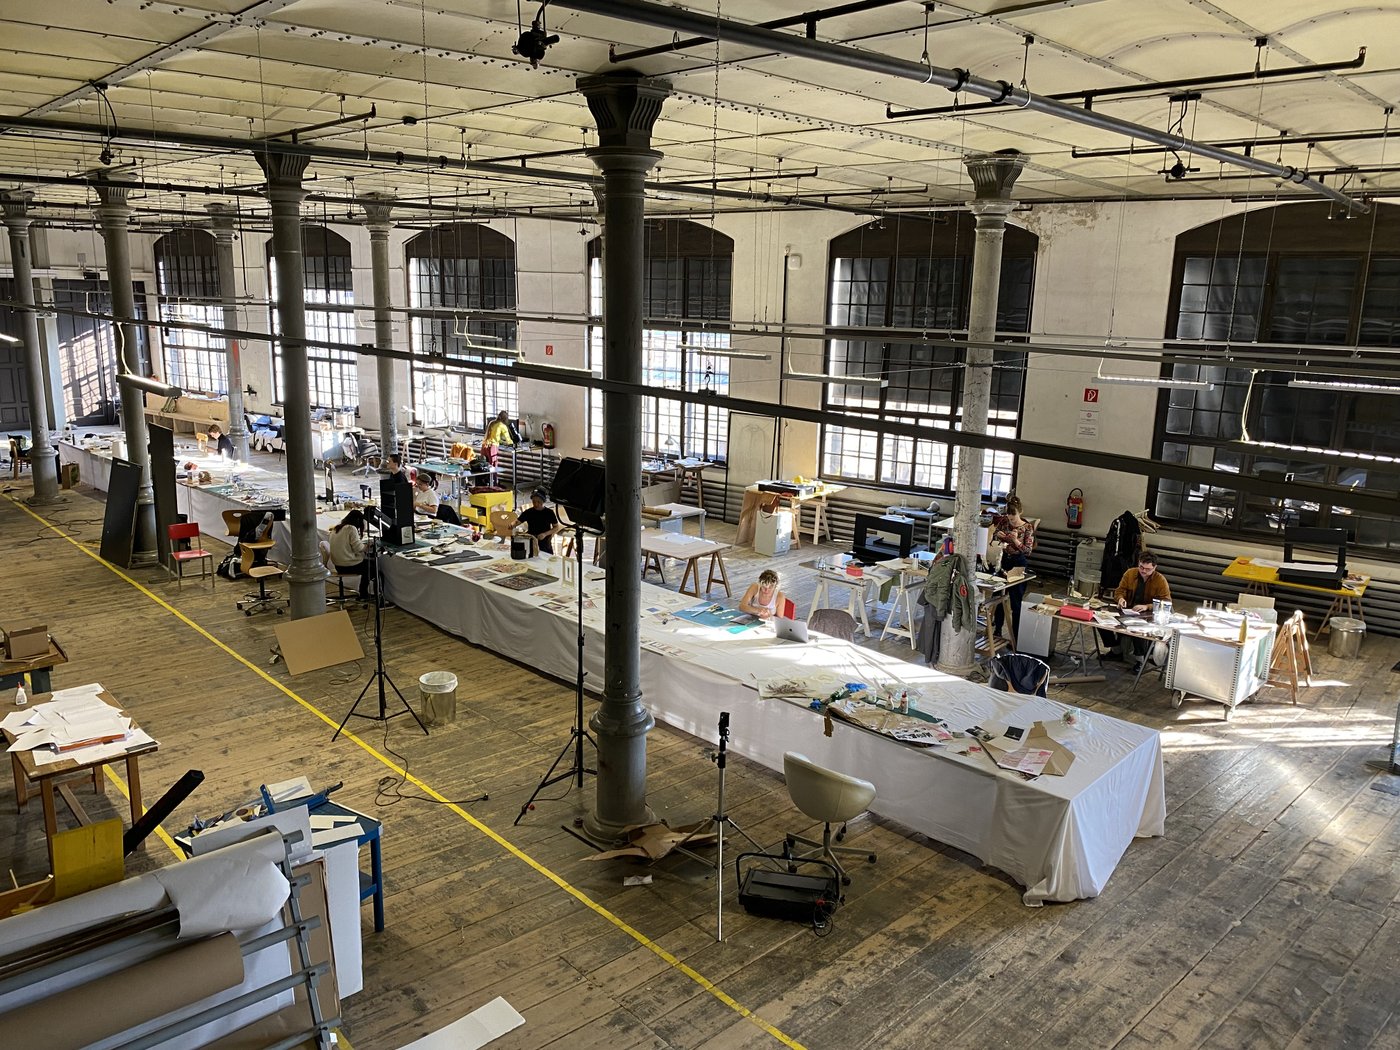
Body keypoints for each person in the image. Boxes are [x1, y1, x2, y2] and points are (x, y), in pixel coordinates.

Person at [1112, 551, 1171, 670]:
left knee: (1138, 630)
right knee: (1101, 622)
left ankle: (1140, 660)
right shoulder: (1130, 573)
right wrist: (1120, 599)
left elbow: (1167, 602)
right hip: (1128, 610)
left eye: (1148, 569)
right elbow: (1119, 591)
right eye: (1141, 567)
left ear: (1154, 567)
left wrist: (1147, 606)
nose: (1143, 571)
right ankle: (1115, 651)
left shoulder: (1160, 580)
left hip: (1148, 614)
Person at [990, 494, 1036, 642]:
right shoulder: (1004, 522)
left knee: (1016, 602)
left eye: (1013, 517)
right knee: (998, 597)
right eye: (1009, 518)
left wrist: (1015, 541)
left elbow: (1028, 550)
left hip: (1019, 563)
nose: (1011, 520)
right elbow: (995, 534)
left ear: (1020, 512)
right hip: (1004, 561)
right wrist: (999, 535)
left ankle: (1016, 637)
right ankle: (997, 630)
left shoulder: (1027, 527)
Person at [328, 509, 373, 599]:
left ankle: (363, 593)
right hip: (348, 566)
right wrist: (367, 546)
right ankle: (365, 594)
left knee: (368, 566)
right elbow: (358, 548)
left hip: (338, 566)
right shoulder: (351, 528)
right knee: (373, 569)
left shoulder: (337, 528)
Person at [517, 489, 562, 554]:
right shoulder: (528, 512)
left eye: (538, 502)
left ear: (543, 501)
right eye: (534, 502)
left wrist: (545, 534)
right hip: (531, 540)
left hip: (544, 542)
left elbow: (556, 527)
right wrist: (512, 525)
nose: (536, 504)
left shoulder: (549, 513)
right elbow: (517, 521)